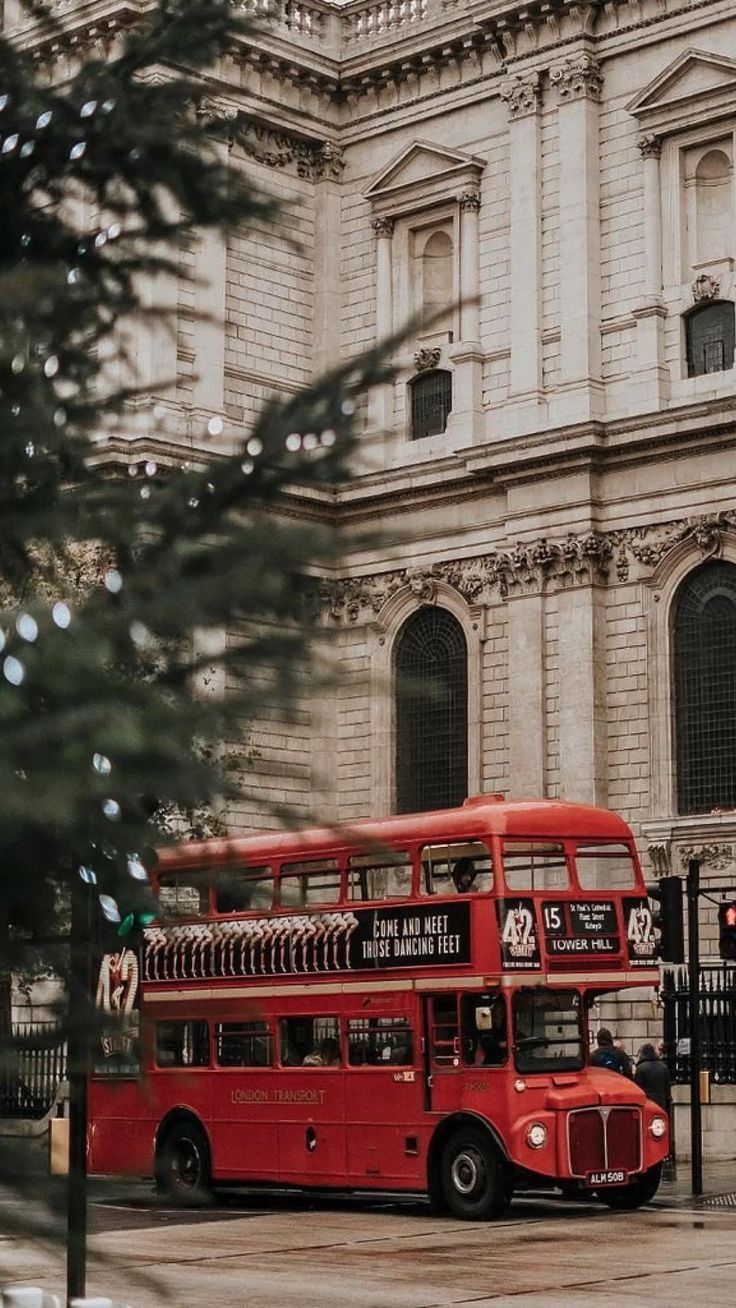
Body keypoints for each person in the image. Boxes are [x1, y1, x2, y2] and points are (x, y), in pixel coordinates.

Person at [634, 1042, 672, 1114]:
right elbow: (667, 1087)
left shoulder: (640, 1068)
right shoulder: (663, 1067)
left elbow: (638, 1087)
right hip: (661, 1101)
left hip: (647, 1101)